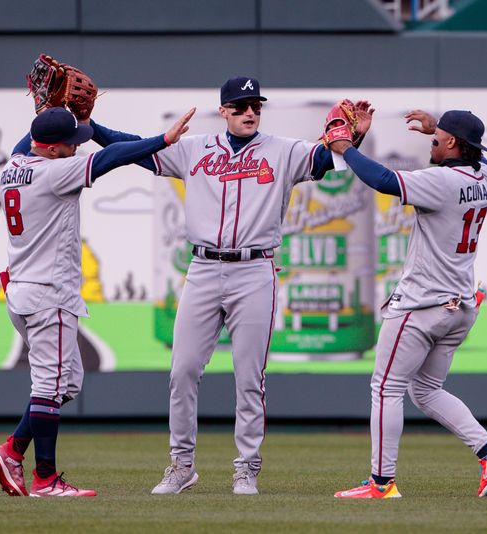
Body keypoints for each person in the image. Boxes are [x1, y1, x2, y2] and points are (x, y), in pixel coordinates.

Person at [86, 77, 369, 495]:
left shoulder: (283, 151)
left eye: (255, 105)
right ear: (223, 111)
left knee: (249, 376)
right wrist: (90, 127)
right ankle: (181, 465)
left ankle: (246, 469)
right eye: (239, 106)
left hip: (254, 272)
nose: (249, 112)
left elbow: (326, 160)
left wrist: (356, 136)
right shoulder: (194, 148)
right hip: (202, 269)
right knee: (182, 370)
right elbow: (135, 148)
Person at [0, 105, 195, 498]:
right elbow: (110, 157)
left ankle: (12, 449)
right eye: (69, 145)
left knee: (67, 382)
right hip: (49, 295)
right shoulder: (54, 172)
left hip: (23, 292)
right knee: (49, 386)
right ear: (49, 149)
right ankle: (45, 479)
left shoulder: (14, 165)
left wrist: (43, 106)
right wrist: (162, 141)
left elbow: (31, 139)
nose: (75, 149)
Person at [329, 107, 487, 499]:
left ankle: (381, 483)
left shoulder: (443, 182)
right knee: (426, 390)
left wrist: (343, 145)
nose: (432, 140)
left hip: (423, 305)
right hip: (461, 306)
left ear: (453, 143)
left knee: (386, 388)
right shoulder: (486, 174)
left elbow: (383, 180)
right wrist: (440, 130)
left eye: (438, 137)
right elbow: (473, 153)